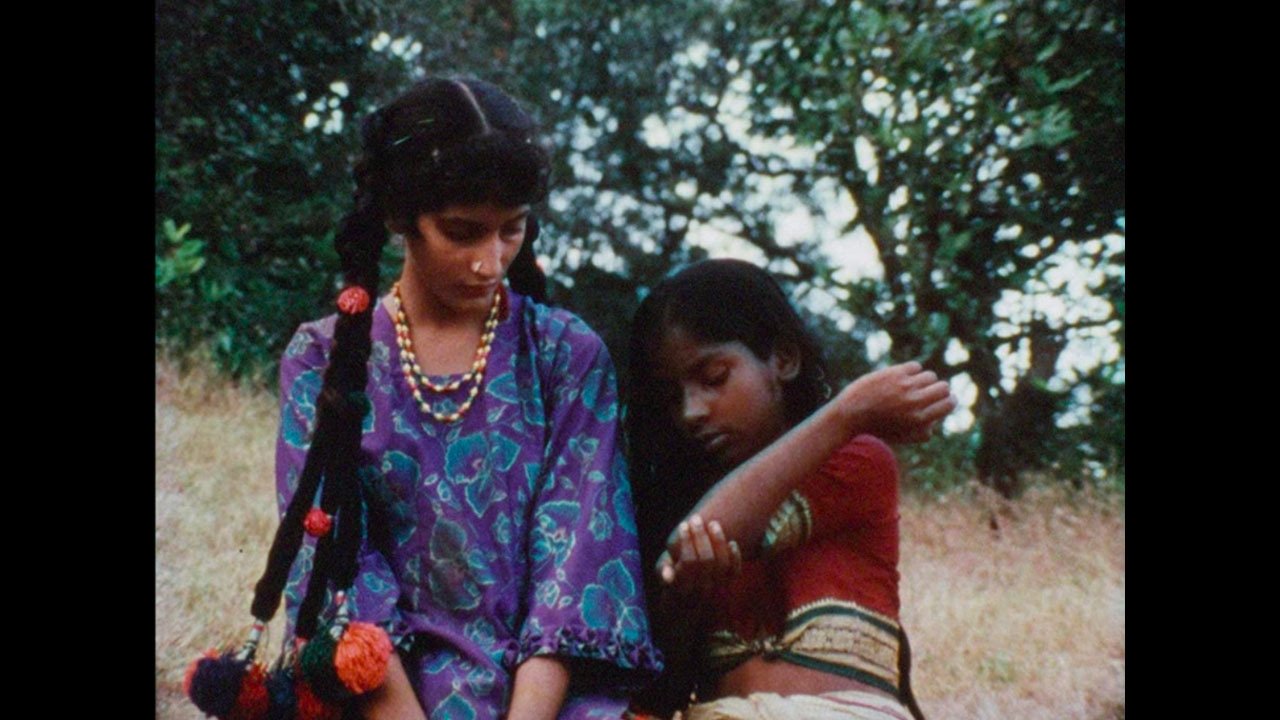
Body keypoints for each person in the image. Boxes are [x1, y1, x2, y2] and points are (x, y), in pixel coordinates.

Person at [269, 78, 660, 720]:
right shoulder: (323, 362)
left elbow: (575, 562)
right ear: (401, 220)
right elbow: (337, 569)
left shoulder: (567, 355)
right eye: (463, 232)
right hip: (383, 697)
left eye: (512, 230)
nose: (491, 262)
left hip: (551, 704)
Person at [624, 259, 955, 720]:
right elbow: (660, 697)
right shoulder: (681, 505)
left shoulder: (858, 458)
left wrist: (848, 414)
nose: (691, 412)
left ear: (784, 359)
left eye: (714, 378)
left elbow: (711, 530)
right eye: (672, 397)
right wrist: (682, 602)